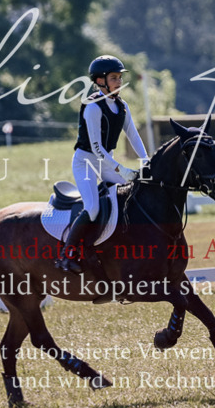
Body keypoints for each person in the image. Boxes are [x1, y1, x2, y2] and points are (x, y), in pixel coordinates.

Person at [55, 55, 149, 273]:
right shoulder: (93, 107)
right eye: (114, 78)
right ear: (100, 81)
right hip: (86, 161)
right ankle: (68, 253)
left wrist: (146, 160)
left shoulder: (122, 106)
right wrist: (121, 169)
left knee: (133, 192)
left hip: (106, 161)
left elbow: (133, 135)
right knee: (93, 207)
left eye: (119, 77)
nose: (119, 82)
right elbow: (97, 148)